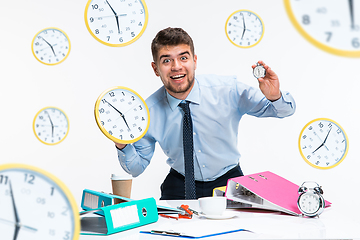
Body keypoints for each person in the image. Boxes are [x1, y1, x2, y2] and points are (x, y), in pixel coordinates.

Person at [114, 27, 295, 200]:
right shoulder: (148, 112)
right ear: (156, 68)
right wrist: (122, 144)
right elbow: (136, 168)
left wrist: (274, 96)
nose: (176, 66)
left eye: (183, 58)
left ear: (194, 61)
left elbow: (285, 111)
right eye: (167, 60)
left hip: (229, 180)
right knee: (169, 230)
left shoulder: (228, 90)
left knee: (236, 231)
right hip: (179, 185)